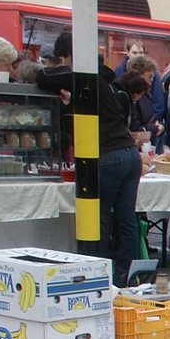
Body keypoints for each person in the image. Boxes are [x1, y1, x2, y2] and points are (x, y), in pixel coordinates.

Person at [36, 32, 141, 287]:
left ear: (66, 57)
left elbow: (41, 77)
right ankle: (130, 277)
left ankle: (98, 278)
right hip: (129, 153)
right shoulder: (103, 79)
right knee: (126, 219)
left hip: (107, 155)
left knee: (99, 219)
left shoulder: (82, 75)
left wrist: (53, 71)